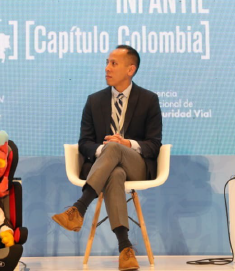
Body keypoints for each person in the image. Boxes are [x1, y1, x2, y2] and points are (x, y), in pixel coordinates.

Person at [52, 45, 162, 271]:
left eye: (114, 63)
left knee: (115, 147)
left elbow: (154, 145)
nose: (107, 68)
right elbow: (84, 143)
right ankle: (125, 248)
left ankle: (79, 208)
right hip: (106, 167)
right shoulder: (94, 101)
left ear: (130, 69)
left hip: (137, 165)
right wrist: (105, 150)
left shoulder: (149, 99)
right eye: (107, 63)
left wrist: (126, 144)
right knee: (115, 172)